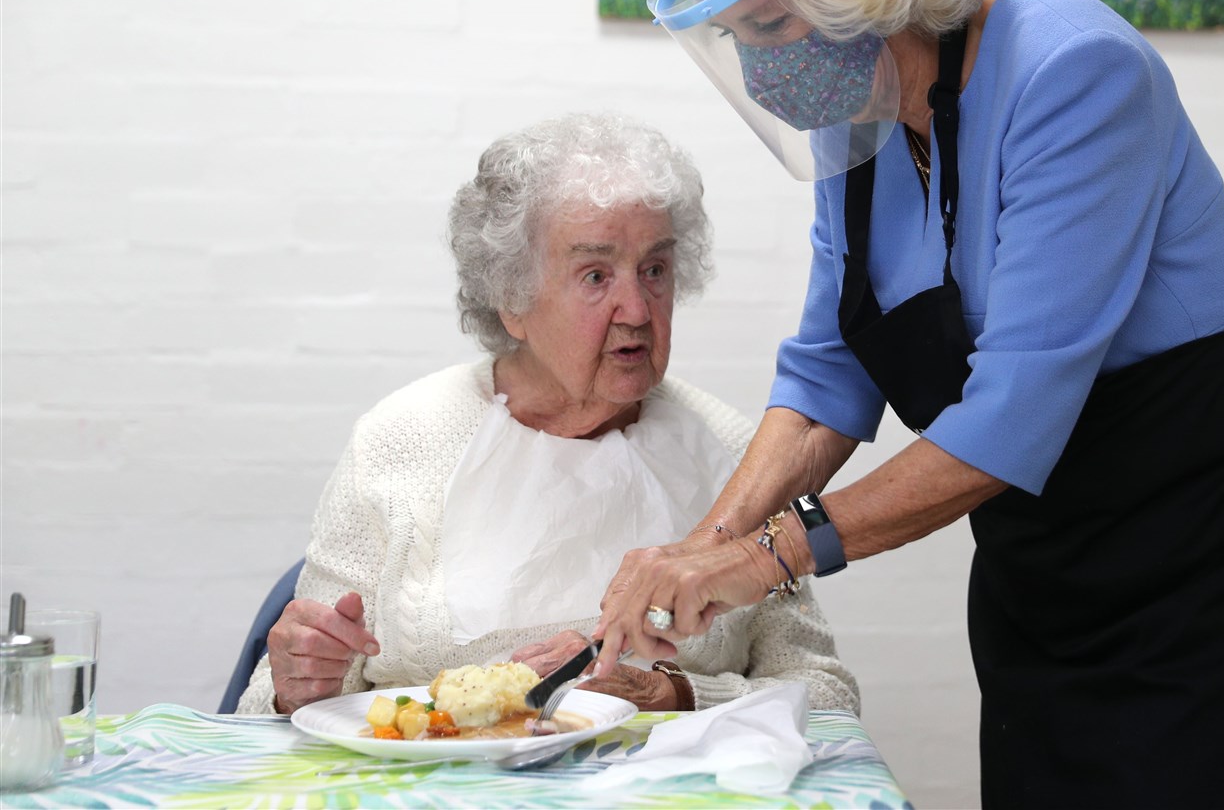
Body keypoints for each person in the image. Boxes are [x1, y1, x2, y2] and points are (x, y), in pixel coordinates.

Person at [591, 0, 1224, 809]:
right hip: (1048, 547)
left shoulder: (1075, 71)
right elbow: (832, 370)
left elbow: (1011, 419)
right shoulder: (856, 100)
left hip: (1212, 535)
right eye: (740, 36)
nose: (764, 65)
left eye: (773, 20)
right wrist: (700, 549)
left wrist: (764, 561)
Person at [235, 113, 859, 717]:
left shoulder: (734, 451)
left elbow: (826, 694)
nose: (638, 310)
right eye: (595, 275)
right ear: (511, 297)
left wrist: (673, 694)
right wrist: (297, 685)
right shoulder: (399, 440)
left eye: (656, 270)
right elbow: (273, 700)